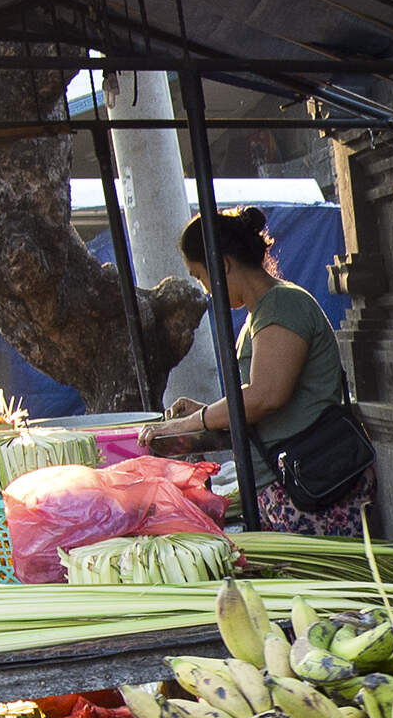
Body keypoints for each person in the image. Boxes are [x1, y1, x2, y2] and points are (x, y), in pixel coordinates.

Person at [154, 206, 374, 537]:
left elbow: (265, 397)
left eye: (200, 276)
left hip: (312, 486)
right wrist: (207, 412)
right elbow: (255, 402)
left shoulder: (281, 305)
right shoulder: (261, 313)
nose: (206, 289)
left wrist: (189, 423)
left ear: (223, 265)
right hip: (293, 484)